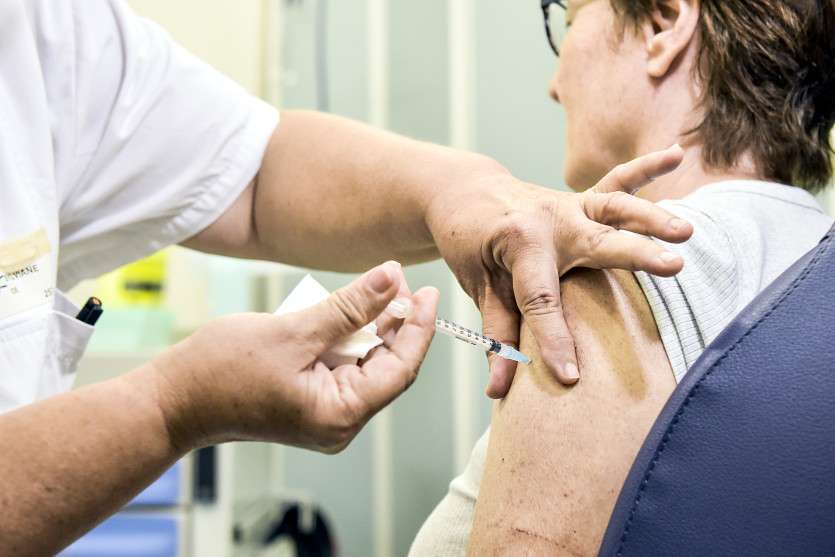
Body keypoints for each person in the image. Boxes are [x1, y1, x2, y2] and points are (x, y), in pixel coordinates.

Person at [0, 1, 696, 554]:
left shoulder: (44, 25)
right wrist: (169, 408)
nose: (550, 83)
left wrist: (467, 191)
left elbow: (251, 170)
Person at [410, 0, 835, 554]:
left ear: (663, 23)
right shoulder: (815, 268)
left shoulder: (610, 272)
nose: (553, 86)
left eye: (567, 22)